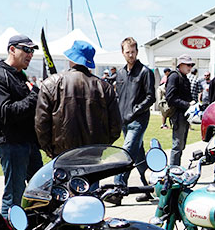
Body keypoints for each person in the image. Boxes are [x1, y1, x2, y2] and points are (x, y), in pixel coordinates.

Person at [0, 34, 44, 217]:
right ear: (12, 49)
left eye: (32, 51)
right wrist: (33, 96)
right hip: (10, 143)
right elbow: (6, 113)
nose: (30, 54)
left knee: (39, 190)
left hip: (28, 142)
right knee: (14, 195)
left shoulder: (18, 75)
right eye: (26, 49)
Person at [35, 41, 121, 160]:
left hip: (62, 154)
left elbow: (41, 124)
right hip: (92, 155)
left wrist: (50, 150)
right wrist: (101, 147)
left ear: (71, 58)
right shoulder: (105, 88)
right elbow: (115, 126)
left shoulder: (50, 84)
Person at [112, 37, 156, 204]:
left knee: (127, 151)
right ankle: (150, 187)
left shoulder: (145, 72)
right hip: (124, 120)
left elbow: (151, 97)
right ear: (123, 53)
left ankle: (117, 190)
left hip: (138, 120)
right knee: (139, 156)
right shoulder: (121, 73)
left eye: (133, 52)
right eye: (127, 52)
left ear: (137, 52)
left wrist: (135, 111)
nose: (130, 55)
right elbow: (118, 96)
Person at [165, 54, 195, 166]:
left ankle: (176, 169)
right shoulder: (174, 76)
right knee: (177, 146)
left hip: (184, 115)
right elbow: (170, 98)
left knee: (181, 145)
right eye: (188, 65)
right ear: (180, 64)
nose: (190, 67)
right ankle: (173, 171)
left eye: (191, 65)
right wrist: (187, 104)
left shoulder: (184, 77)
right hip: (178, 115)